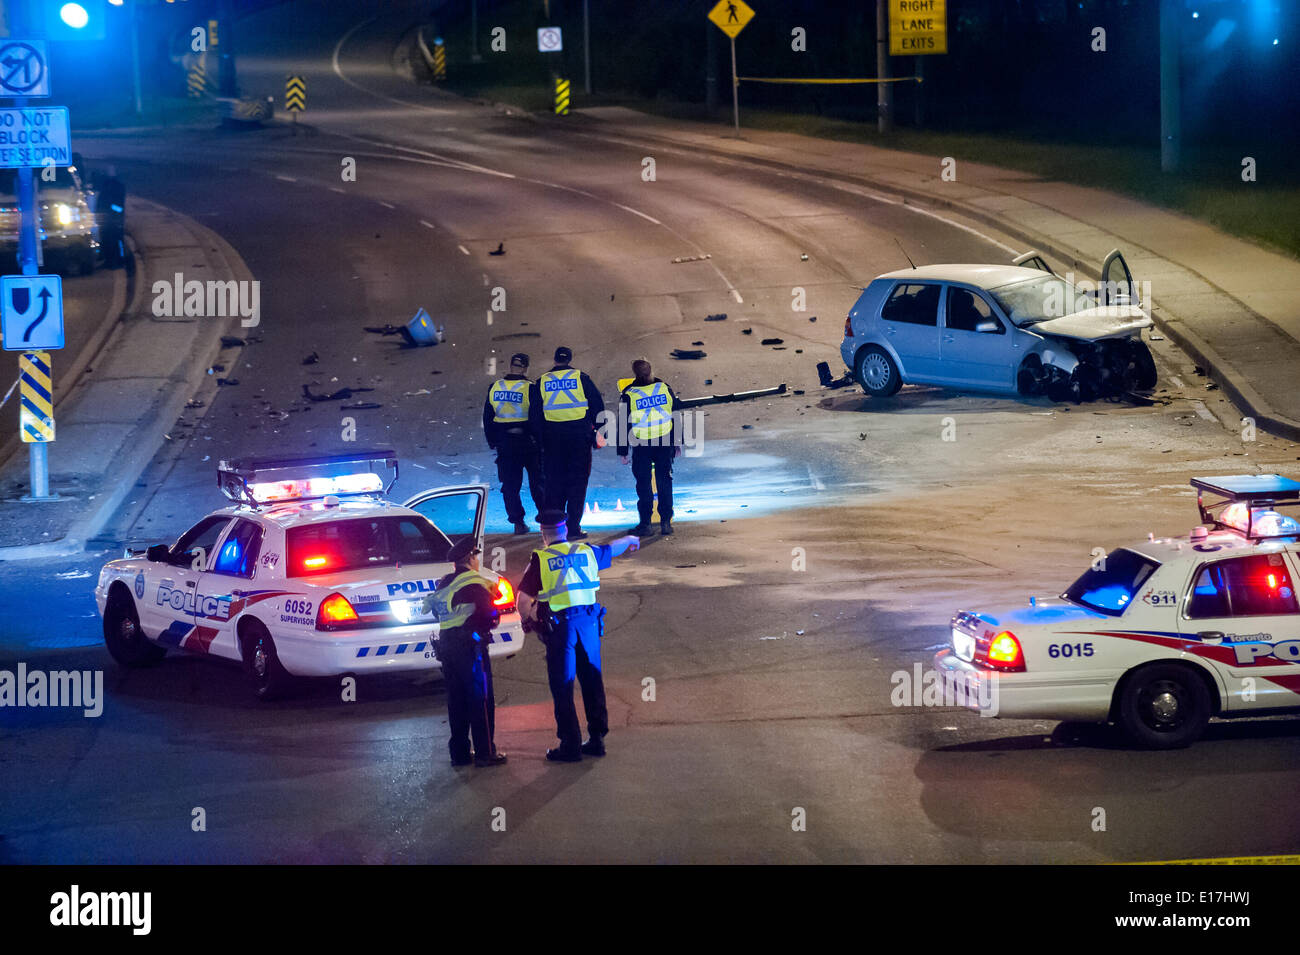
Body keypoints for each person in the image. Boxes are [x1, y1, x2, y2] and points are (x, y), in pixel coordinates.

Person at [517, 510, 639, 762]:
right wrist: (629, 540)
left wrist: (528, 621)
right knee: (592, 680)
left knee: (563, 685)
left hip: (561, 629)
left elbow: (523, 601)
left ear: (543, 533)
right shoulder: (584, 551)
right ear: (565, 530)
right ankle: (597, 739)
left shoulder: (541, 559)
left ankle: (570, 745)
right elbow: (612, 548)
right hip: (589, 625)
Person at [422, 536, 507, 769]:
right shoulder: (473, 582)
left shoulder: (444, 583)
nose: (478, 561)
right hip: (470, 647)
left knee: (456, 700)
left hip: (447, 647)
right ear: (470, 558)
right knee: (480, 699)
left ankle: (459, 753)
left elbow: (436, 614)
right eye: (476, 556)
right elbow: (490, 614)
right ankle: (485, 753)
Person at [529, 346, 604, 541]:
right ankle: (573, 528)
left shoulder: (542, 381)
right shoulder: (581, 378)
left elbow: (535, 414)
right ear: (570, 360)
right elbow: (597, 404)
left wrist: (539, 440)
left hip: (553, 440)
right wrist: (598, 430)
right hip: (579, 438)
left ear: (554, 360)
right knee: (578, 483)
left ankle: (555, 528)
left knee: (554, 484)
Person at [483, 352, 545, 534]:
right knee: (538, 483)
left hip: (505, 443)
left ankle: (518, 523)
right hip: (528, 442)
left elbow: (488, 416)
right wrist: (541, 443)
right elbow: (536, 419)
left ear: (511, 366)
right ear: (525, 368)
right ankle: (545, 520)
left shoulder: (495, 387)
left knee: (510, 485)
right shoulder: (530, 388)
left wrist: (492, 441)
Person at [617, 358, 680, 537]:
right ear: (651, 370)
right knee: (664, 481)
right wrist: (677, 441)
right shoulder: (664, 388)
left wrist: (623, 451)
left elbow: (623, 423)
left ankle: (646, 524)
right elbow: (675, 414)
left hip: (641, 445)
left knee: (644, 484)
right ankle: (666, 523)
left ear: (634, 374)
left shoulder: (629, 393)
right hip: (664, 442)